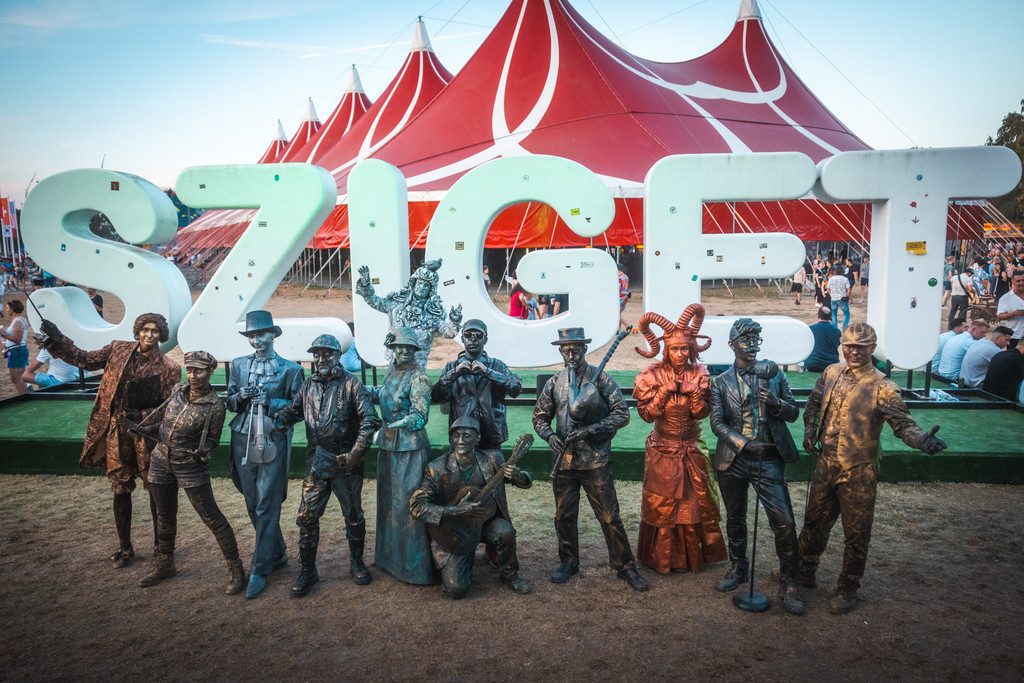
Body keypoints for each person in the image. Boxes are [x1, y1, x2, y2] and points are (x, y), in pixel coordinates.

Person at [799, 322, 947, 614]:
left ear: (872, 348)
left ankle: (848, 587)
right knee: (814, 522)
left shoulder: (883, 386)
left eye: (861, 347)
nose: (854, 352)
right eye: (849, 346)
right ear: (842, 346)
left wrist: (921, 440)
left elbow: (902, 424)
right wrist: (810, 430)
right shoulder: (830, 372)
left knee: (856, 533)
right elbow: (813, 404)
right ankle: (804, 570)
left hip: (858, 469)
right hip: (826, 463)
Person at [39, 313, 180, 568]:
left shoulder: (169, 367)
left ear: (162, 335)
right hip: (116, 431)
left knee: (156, 488)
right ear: (137, 331)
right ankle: (124, 548)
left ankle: (162, 545)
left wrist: (144, 415)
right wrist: (58, 339)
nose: (149, 335)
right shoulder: (118, 349)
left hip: (147, 436)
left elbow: (169, 407)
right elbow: (84, 359)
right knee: (120, 487)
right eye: (145, 329)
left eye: (155, 331)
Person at [532, 327, 648, 592]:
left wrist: (592, 429)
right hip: (564, 461)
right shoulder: (555, 382)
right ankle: (568, 562)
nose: (570, 356)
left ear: (584, 349)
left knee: (609, 516)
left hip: (595, 460)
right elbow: (539, 417)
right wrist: (550, 436)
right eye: (565, 351)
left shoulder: (601, 379)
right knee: (563, 516)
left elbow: (622, 414)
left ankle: (625, 565)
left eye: (575, 350)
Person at [274, 334, 381, 597]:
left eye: (327, 354)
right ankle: (307, 569)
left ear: (338, 356)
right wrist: (281, 418)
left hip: (346, 464)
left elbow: (370, 421)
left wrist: (355, 454)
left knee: (353, 515)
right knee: (307, 517)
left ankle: (356, 562)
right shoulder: (308, 385)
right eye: (317, 355)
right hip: (317, 463)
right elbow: (294, 409)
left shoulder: (352, 384)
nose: (321, 359)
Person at [709, 318, 804, 614]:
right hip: (734, 459)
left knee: (784, 522)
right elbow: (717, 423)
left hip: (769, 459)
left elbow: (793, 413)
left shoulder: (775, 375)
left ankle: (789, 580)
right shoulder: (720, 382)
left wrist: (776, 403)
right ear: (732, 345)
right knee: (735, 518)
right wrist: (744, 444)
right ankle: (738, 567)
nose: (752, 346)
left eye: (755, 340)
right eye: (745, 340)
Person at [132, 350, 246, 595]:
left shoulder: (215, 406)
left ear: (210, 372)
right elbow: (163, 426)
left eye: (199, 371)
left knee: (211, 516)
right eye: (190, 370)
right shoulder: (177, 391)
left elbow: (213, 439)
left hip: (189, 465)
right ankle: (165, 563)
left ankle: (236, 569)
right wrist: (142, 429)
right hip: (160, 460)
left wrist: (203, 450)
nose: (193, 376)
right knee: (163, 514)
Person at [632, 305, 727, 575]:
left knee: (694, 503)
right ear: (666, 349)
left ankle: (693, 557)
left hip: (692, 449)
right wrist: (664, 392)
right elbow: (647, 415)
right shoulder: (651, 375)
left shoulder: (699, 373)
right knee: (663, 504)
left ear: (691, 349)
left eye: (685, 348)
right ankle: (663, 558)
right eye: (674, 349)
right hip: (662, 448)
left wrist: (693, 392)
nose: (680, 354)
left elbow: (702, 413)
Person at [225, 310, 305, 598]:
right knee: (251, 502)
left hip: (272, 439)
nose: (256, 340)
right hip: (242, 437)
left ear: (273, 335)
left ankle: (259, 568)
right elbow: (230, 402)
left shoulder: (291, 370)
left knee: (266, 504)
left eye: (261, 334)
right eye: (252, 336)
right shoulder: (238, 365)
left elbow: (299, 409)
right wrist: (241, 396)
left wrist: (271, 401)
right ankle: (277, 551)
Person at [409, 416, 533, 598]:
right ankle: (463, 560)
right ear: (451, 439)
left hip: (484, 524)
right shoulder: (436, 468)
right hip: (454, 532)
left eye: (467, 435)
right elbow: (417, 506)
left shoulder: (492, 459)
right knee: (456, 590)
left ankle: (509, 574)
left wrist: (517, 475)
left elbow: (525, 482)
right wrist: (454, 511)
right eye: (456, 435)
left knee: (505, 531)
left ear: (478, 438)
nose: (460, 440)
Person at [368, 327, 434, 585]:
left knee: (408, 507)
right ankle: (389, 560)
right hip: (388, 447)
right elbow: (382, 394)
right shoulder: (392, 370)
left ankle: (413, 568)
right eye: (399, 347)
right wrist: (359, 387)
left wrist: (401, 423)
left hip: (410, 449)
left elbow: (420, 416)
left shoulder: (419, 377)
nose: (404, 351)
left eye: (408, 347)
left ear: (415, 350)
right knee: (388, 505)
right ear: (393, 349)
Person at [431, 319, 522, 451]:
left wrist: (488, 372)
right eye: (468, 335)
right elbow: (436, 397)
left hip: (492, 433)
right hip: (462, 434)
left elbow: (515, 390)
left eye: (478, 335)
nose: (473, 339)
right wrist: (454, 373)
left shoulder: (497, 365)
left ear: (485, 339)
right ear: (462, 339)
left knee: (493, 464)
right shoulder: (451, 367)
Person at [356, 259, 462, 368]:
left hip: (418, 365)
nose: (422, 287)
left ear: (431, 289)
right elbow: (374, 301)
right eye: (419, 283)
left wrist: (454, 321)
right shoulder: (397, 304)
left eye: (426, 285)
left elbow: (449, 333)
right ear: (414, 284)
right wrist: (366, 284)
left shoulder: (433, 313)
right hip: (395, 361)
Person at [1, 299, 30, 395]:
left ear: (12, 309)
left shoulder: (17, 321)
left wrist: (2, 334)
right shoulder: (19, 319)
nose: (6, 310)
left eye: (7, 308)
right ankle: (26, 393)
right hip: (18, 350)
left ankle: (24, 397)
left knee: (16, 378)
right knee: (19, 377)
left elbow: (17, 339)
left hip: (17, 351)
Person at [804, 306, 842, 373]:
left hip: (813, 364)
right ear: (830, 317)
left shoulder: (810, 329)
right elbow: (836, 345)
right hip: (832, 364)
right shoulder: (837, 331)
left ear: (818, 316)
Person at [996, 271, 1024, 349]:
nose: (1021, 283)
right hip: (1015, 336)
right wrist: (1012, 314)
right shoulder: (1005, 298)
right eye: (1018, 281)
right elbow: (999, 316)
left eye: (1023, 280)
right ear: (1013, 282)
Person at [826, 267, 851, 331]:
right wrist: (848, 296)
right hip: (842, 298)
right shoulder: (845, 279)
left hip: (833, 298)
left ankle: (835, 329)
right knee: (846, 313)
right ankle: (844, 328)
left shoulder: (831, 279)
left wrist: (831, 295)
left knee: (834, 314)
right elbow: (849, 290)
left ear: (835, 272)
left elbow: (828, 289)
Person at [617, 263, 630, 332]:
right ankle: (618, 329)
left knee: (616, 314)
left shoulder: (618, 277)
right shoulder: (625, 276)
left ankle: (627, 325)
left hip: (620, 297)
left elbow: (618, 288)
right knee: (619, 313)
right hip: (625, 296)